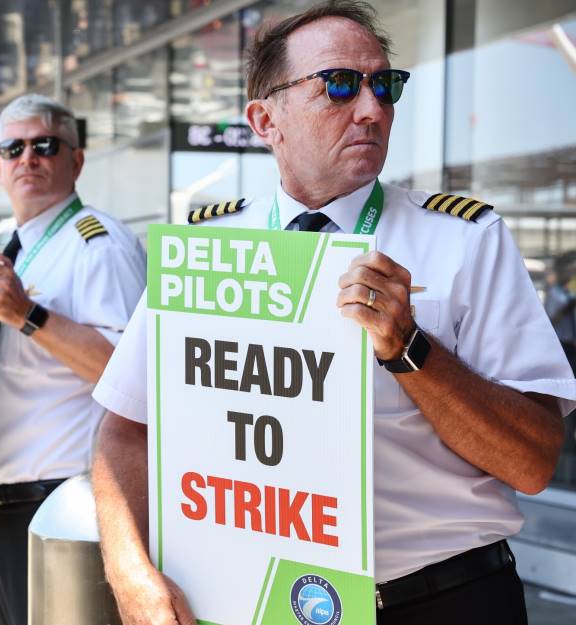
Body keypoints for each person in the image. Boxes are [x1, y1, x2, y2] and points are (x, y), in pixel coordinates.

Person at [89, 3, 576, 625]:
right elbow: (127, 426)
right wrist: (129, 573)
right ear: (266, 120)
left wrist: (411, 350)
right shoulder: (211, 248)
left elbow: (532, 463)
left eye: (385, 85)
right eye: (340, 85)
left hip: (439, 599)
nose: (372, 109)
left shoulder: (463, 238)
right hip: (258, 597)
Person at [0, 94, 146, 625]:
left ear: (76, 160)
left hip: (65, 509)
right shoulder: (13, 249)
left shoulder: (98, 244)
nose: (28, 158)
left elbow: (130, 378)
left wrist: (29, 316)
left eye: (45, 145)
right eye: (14, 148)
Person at [545, 251, 576, 374]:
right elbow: (551, 319)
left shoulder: (569, 291)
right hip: (561, 341)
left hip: (571, 342)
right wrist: (567, 308)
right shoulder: (554, 293)